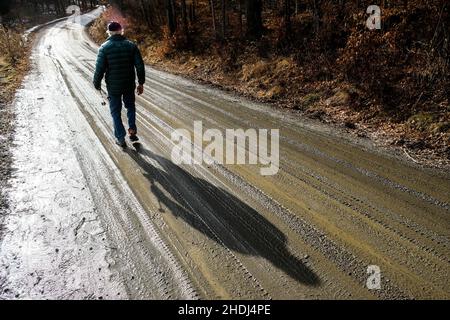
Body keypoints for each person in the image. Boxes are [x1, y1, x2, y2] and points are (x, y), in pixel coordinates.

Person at [93, 21, 145, 148]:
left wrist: (97, 83)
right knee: (130, 107)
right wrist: (141, 82)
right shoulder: (131, 46)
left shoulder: (104, 48)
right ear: (121, 31)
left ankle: (121, 138)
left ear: (109, 32)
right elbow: (139, 65)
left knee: (115, 112)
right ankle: (132, 130)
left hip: (113, 86)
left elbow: (99, 68)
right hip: (128, 84)